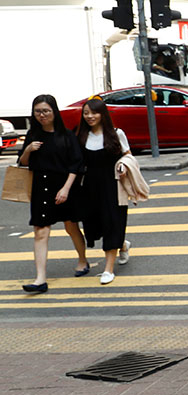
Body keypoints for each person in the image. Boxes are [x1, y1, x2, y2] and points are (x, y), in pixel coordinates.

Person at [18, 95, 88, 293]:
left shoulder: (66, 136)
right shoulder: (32, 135)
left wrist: (66, 188)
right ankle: (40, 278)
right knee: (40, 231)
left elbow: (76, 164)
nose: (42, 115)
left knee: (71, 226)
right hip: (41, 187)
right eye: (38, 111)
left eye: (46, 111)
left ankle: (82, 260)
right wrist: (29, 150)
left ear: (54, 112)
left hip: (65, 186)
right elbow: (23, 163)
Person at [74, 98, 132, 285]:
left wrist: (123, 165)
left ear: (103, 114)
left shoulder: (116, 134)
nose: (90, 116)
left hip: (113, 186)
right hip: (89, 188)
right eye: (86, 113)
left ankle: (108, 269)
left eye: (94, 112)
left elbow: (128, 156)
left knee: (111, 223)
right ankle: (122, 244)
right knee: (95, 226)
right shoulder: (81, 136)